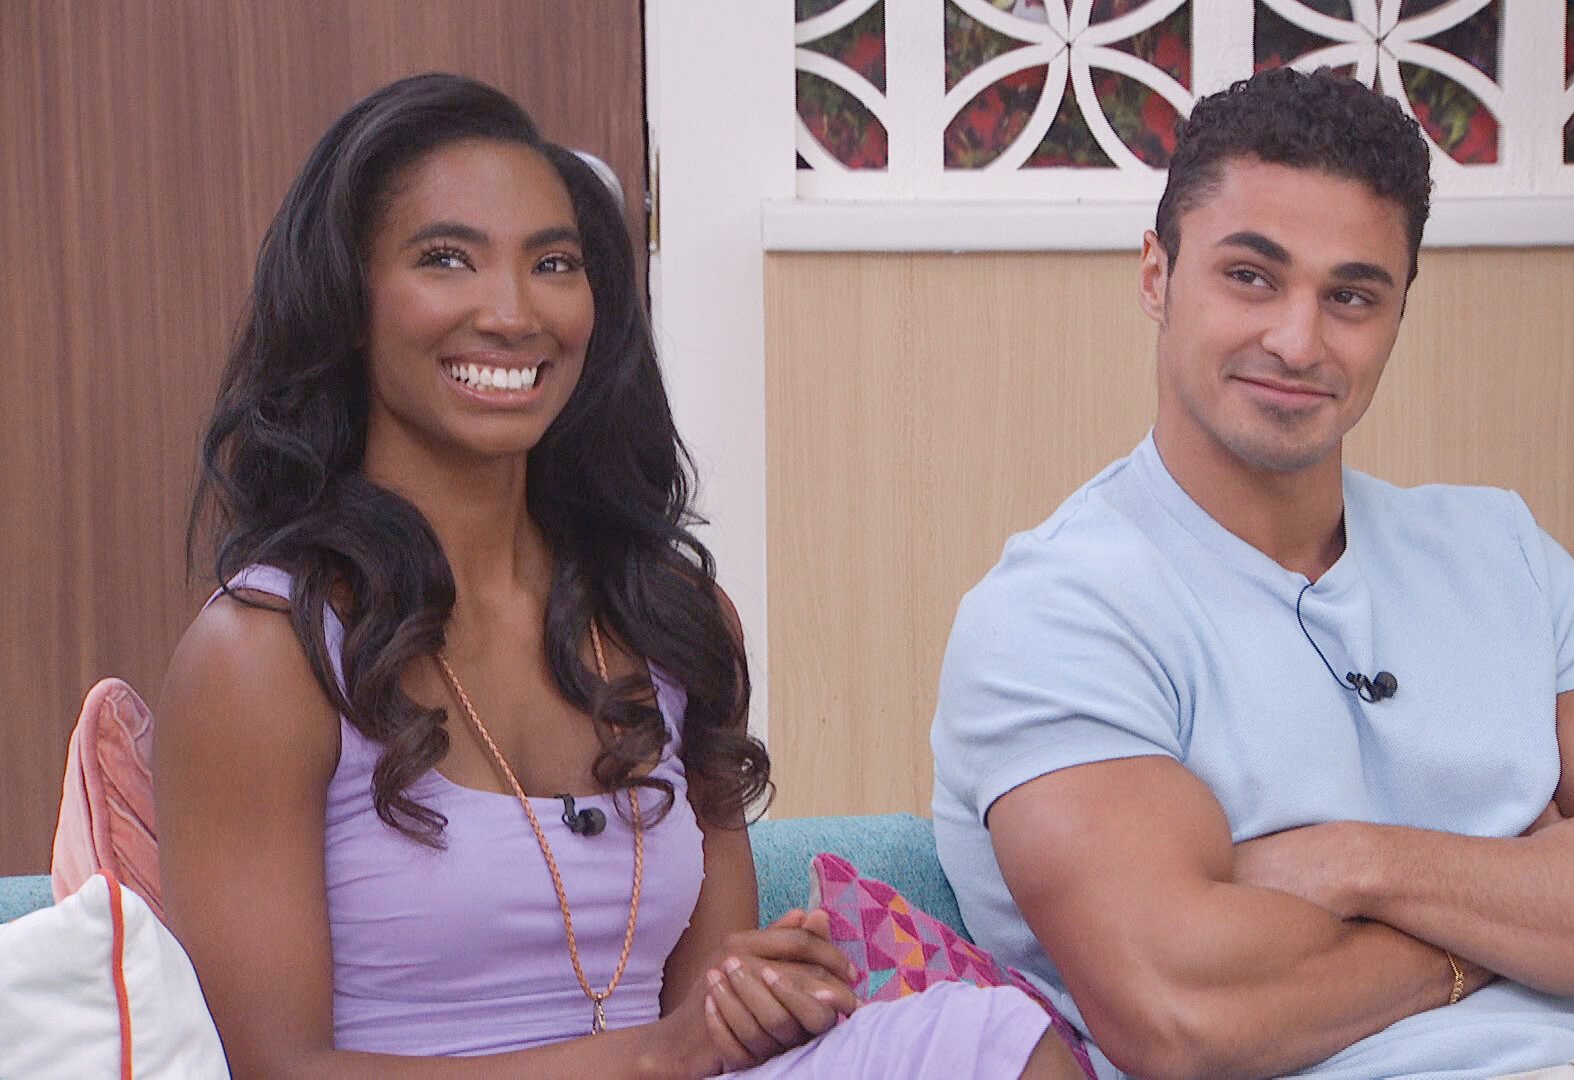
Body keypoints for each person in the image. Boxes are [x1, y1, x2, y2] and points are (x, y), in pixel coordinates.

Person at [154, 73, 1080, 1080]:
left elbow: (707, 1028)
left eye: (553, 263)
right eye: (447, 259)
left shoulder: (670, 621)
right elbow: (273, 1070)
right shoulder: (264, 655)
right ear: (347, 304)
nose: (512, 313)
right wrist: (652, 1056)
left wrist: (765, 999)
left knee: (998, 1042)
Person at [931, 68, 1574, 1080]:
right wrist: (1523, 902)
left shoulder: (1498, 551)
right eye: (1250, 276)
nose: (1297, 341)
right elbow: (1183, 1016)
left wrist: (1358, 864)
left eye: (1352, 296)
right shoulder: (1059, 613)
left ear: (1399, 314)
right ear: (1156, 276)